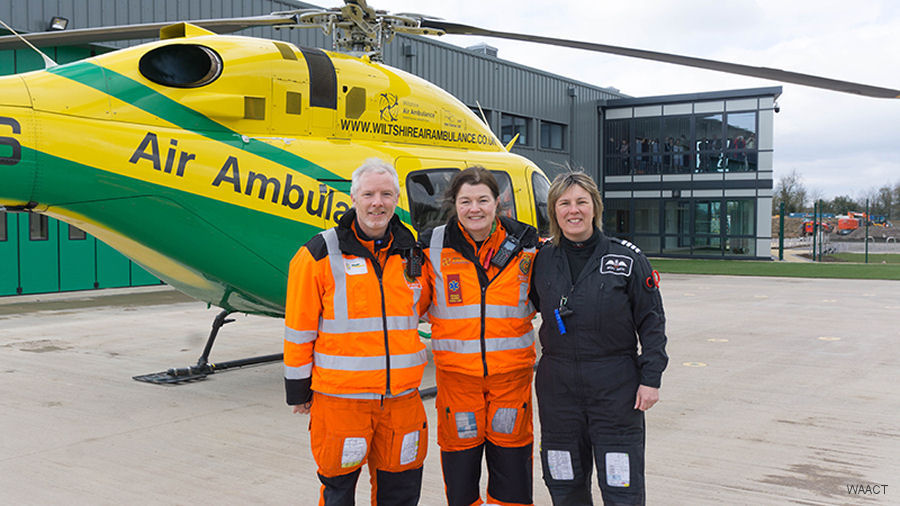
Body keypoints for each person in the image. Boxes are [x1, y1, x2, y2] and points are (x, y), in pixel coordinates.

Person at [283, 158, 431, 505]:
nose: (377, 202)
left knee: (402, 492)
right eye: (368, 194)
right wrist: (298, 389)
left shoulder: (413, 254)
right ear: (354, 198)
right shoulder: (318, 254)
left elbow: (425, 308)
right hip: (341, 403)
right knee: (338, 492)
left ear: (397, 200)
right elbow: (299, 328)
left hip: (402, 402)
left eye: (386, 194)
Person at [530, 172, 668, 505]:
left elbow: (652, 323)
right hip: (558, 389)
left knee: (621, 485)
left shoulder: (627, 260)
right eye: (564, 203)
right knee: (564, 481)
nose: (572, 211)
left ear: (595, 208)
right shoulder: (540, 260)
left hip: (615, 388)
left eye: (581, 202)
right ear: (554, 211)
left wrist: (651, 379)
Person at [420, 166, 539, 506]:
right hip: (457, 385)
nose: (475, 209)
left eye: (483, 200)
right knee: (461, 481)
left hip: (511, 384)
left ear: (497, 202)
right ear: (453, 203)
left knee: (513, 479)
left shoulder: (527, 243)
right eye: (466, 200)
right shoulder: (431, 245)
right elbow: (411, 302)